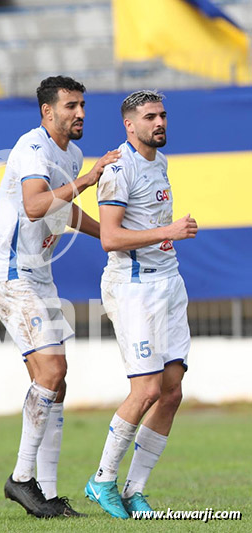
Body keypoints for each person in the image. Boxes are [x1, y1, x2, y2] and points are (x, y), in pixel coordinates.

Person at [0, 76, 120, 518]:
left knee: (56, 383)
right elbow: (36, 205)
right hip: (11, 276)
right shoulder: (33, 148)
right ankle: (21, 480)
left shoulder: (72, 154)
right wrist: (90, 179)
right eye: (70, 106)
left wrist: (111, 236)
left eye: (82, 105)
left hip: (39, 277)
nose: (80, 113)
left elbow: (62, 210)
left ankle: (47, 495)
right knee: (52, 370)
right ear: (47, 111)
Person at [84, 90, 198, 519]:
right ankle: (102, 480)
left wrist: (167, 236)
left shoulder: (159, 162)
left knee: (171, 392)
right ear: (129, 125)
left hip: (169, 282)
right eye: (150, 117)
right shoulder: (118, 169)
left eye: (163, 115)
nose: (160, 122)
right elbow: (110, 238)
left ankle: (135, 490)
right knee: (147, 389)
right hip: (135, 286)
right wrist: (169, 231)